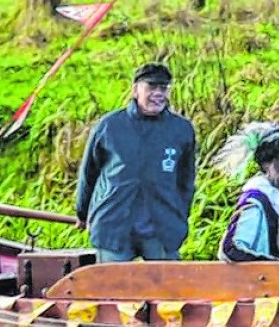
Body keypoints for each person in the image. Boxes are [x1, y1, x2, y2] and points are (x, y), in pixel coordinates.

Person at [75, 62, 197, 262]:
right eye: (151, 87)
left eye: (163, 88)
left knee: (169, 289)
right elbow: (89, 172)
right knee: (112, 289)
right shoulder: (110, 126)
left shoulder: (181, 130)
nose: (158, 93)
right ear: (135, 90)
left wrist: (180, 215)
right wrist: (82, 211)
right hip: (114, 224)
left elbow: (186, 180)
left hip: (161, 225)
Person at [215, 123, 279, 262]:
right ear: (266, 164)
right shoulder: (256, 200)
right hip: (257, 280)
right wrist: (271, 266)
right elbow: (230, 249)